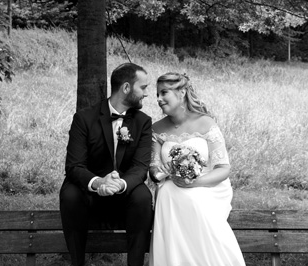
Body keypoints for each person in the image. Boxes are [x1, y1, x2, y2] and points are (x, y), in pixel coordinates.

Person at [60, 63, 154, 266]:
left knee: (143, 196)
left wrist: (120, 184)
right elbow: (74, 166)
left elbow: (140, 167)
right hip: (90, 192)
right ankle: (77, 262)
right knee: (70, 194)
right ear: (127, 88)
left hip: (123, 192)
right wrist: (98, 182)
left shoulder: (143, 122)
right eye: (143, 87)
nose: (146, 94)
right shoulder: (84, 118)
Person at [148, 72, 246, 266]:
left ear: (182, 92)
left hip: (208, 187)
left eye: (164, 93)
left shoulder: (206, 123)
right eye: (157, 94)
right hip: (172, 185)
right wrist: (163, 171)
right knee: (166, 190)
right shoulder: (156, 129)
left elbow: (223, 169)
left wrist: (193, 182)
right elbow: (153, 172)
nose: (158, 99)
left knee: (191, 197)